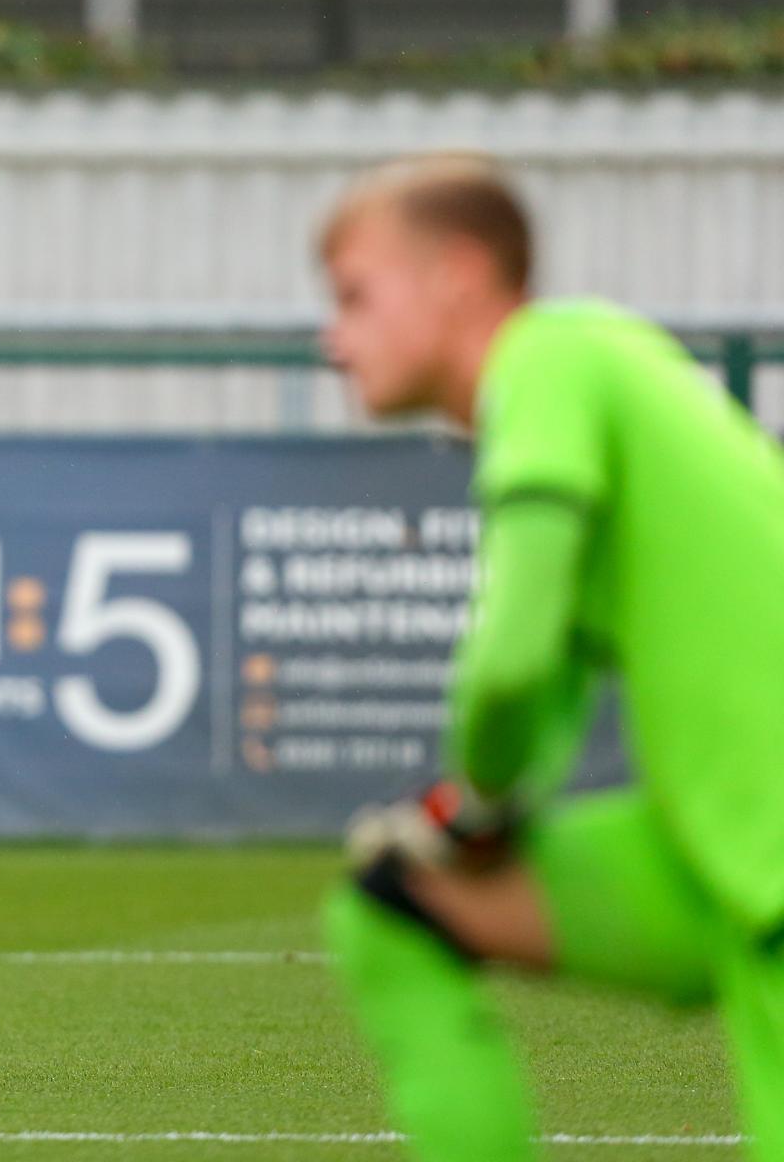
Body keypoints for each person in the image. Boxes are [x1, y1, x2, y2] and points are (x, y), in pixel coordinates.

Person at [319, 155, 784, 1160]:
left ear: (461, 272)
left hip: (759, 856)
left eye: (355, 296)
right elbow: (549, 697)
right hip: (728, 863)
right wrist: (476, 810)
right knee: (394, 910)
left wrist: (468, 804)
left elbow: (510, 661)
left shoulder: (545, 361)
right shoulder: (599, 354)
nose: (333, 339)